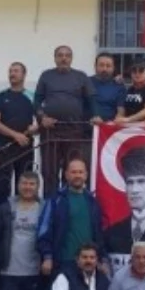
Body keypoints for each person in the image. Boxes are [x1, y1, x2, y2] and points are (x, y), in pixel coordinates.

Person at [35, 46, 98, 196]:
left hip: (74, 131)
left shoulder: (81, 76)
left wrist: (96, 115)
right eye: (60, 55)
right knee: (49, 171)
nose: (64, 58)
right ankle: (51, 205)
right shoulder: (46, 76)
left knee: (71, 171)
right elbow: (36, 101)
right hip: (51, 132)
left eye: (67, 55)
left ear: (71, 58)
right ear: (55, 58)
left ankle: (68, 203)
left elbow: (91, 100)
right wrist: (42, 118)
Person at [37, 158, 109, 274]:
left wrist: (102, 258)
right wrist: (47, 257)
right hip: (63, 262)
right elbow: (44, 231)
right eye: (74, 172)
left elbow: (99, 234)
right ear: (66, 175)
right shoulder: (56, 200)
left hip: (88, 263)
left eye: (80, 172)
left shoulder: (92, 202)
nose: (77, 175)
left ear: (86, 175)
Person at [0, 62, 39, 195]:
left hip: (25, 147)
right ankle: (2, 213)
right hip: (4, 147)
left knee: (24, 183)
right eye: (10, 71)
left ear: (24, 75)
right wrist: (16, 135)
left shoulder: (32, 96)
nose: (12, 74)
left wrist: (35, 128)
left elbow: (40, 122)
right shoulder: (0, 96)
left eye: (16, 71)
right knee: (2, 184)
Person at [90, 53, 126, 123]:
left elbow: (121, 111)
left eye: (108, 66)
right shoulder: (86, 82)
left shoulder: (119, 86)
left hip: (107, 130)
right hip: (86, 128)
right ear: (95, 66)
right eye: (101, 65)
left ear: (113, 68)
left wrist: (114, 123)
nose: (104, 69)